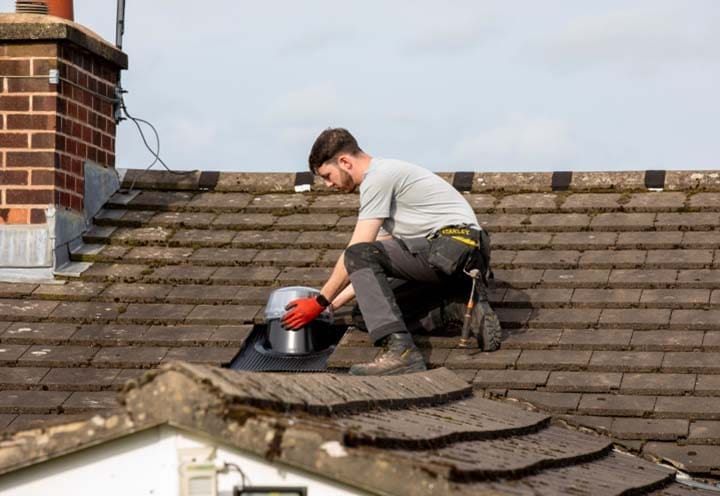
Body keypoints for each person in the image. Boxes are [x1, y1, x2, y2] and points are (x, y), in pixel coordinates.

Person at [282, 128, 501, 375]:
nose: (328, 184)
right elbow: (368, 266)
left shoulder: (378, 177)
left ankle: (401, 353)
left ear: (344, 161)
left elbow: (357, 252)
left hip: (453, 246)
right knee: (366, 315)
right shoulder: (392, 183)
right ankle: (456, 305)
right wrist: (333, 304)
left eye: (328, 175)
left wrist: (319, 302)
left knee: (359, 253)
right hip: (463, 256)